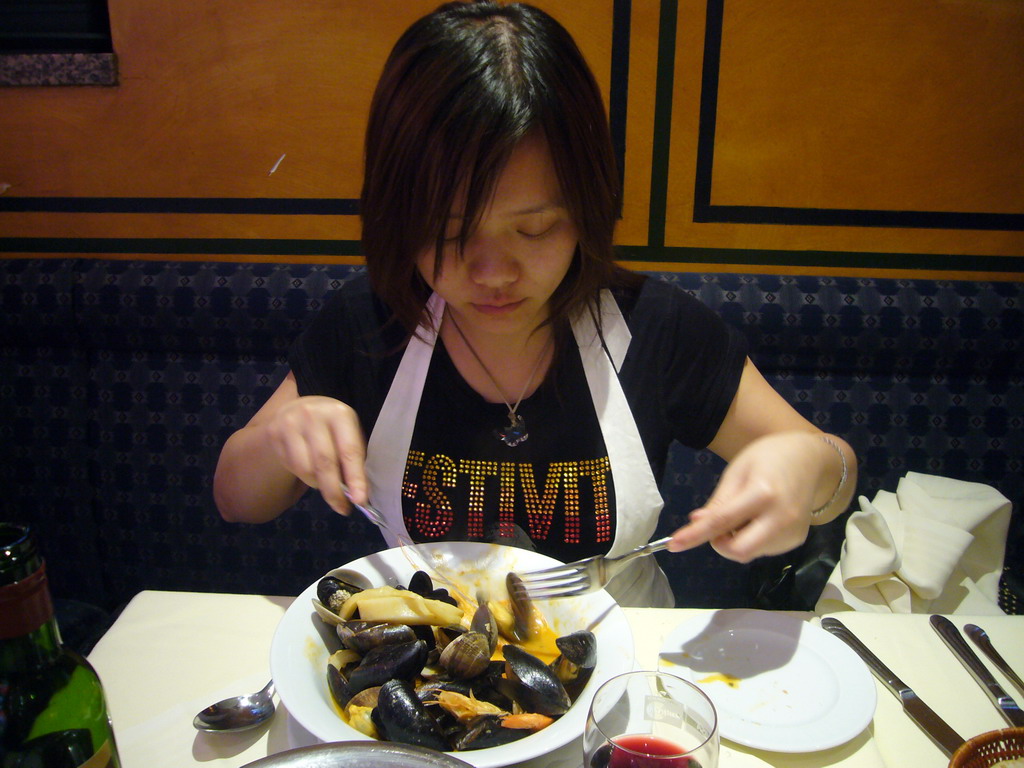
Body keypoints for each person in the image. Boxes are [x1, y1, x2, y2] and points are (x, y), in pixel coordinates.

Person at [213, 0, 856, 607]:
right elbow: (236, 499)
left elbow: (836, 471)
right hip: (435, 675)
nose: (493, 273)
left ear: (587, 207)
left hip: (619, 679)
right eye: (448, 233)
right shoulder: (370, 321)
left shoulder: (655, 328)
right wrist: (279, 439)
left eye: (536, 228)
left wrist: (808, 468)